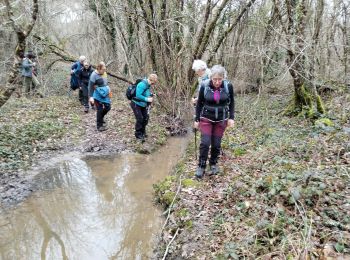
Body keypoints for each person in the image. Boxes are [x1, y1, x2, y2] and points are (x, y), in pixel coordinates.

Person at [194, 65, 235, 178]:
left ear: (223, 78)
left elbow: (232, 103)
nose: (217, 82)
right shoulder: (204, 86)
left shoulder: (228, 86)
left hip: (221, 119)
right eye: (215, 79)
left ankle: (213, 163)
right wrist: (197, 119)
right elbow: (199, 104)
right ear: (211, 77)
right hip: (206, 118)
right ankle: (201, 165)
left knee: (216, 144)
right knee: (205, 143)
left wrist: (231, 118)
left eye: (220, 79)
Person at [130, 74, 157, 141]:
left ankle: (143, 132)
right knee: (140, 119)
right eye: (153, 83)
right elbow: (138, 95)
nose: (153, 84)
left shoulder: (148, 85)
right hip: (136, 104)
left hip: (143, 104)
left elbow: (145, 93)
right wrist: (147, 99)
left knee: (145, 118)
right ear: (151, 80)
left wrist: (151, 95)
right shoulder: (142, 84)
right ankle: (138, 134)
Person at [88, 62, 111, 132]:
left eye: (105, 69)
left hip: (105, 94)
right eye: (103, 69)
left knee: (108, 107)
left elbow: (105, 83)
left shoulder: (104, 73)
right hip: (97, 95)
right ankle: (99, 126)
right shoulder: (93, 75)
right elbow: (90, 87)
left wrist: (108, 89)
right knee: (100, 110)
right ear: (99, 68)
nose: (104, 71)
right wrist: (91, 97)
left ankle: (101, 117)